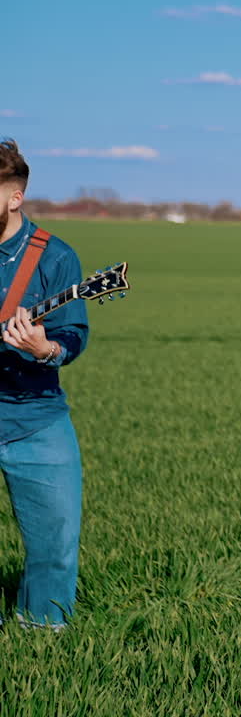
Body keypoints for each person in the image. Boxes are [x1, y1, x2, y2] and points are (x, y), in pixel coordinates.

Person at [0, 138, 89, 629]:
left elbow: (71, 337)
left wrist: (43, 349)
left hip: (35, 418)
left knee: (55, 544)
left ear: (15, 197)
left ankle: (43, 638)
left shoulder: (54, 257)